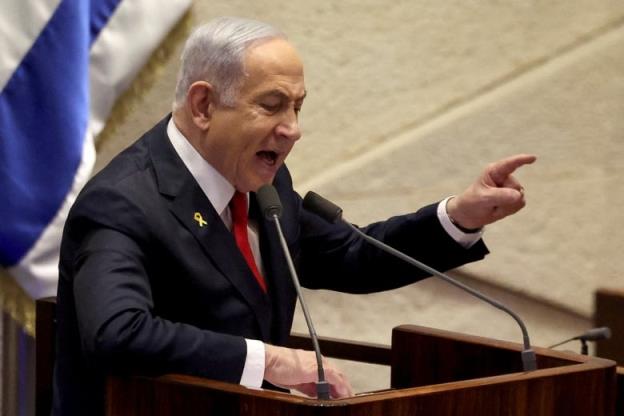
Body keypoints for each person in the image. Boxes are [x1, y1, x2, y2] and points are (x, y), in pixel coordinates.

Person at [52, 16, 536, 415]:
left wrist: (460, 217)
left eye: (299, 107)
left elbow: (350, 255)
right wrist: (268, 361)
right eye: (273, 105)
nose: (293, 130)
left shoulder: (264, 184)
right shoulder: (124, 201)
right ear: (203, 105)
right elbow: (117, 333)